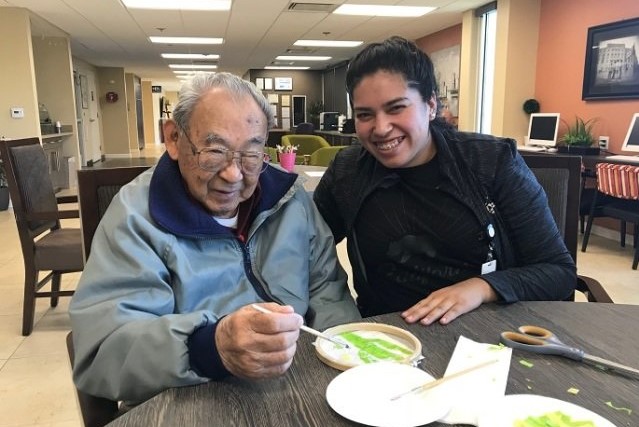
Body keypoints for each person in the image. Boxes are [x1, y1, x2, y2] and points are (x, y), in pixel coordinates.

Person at [69, 72, 360, 404]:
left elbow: (328, 293)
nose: (233, 174)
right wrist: (210, 346)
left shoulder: (291, 200)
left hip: (296, 388)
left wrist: (347, 355)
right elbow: (103, 352)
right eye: (214, 152)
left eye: (252, 154)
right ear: (174, 138)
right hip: (188, 400)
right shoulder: (136, 217)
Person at [313, 36, 576, 326]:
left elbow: (558, 272)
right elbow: (306, 248)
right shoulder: (348, 171)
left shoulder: (492, 162)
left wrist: (480, 288)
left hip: (484, 336)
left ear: (431, 105)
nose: (381, 128)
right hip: (384, 337)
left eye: (396, 107)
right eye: (365, 114)